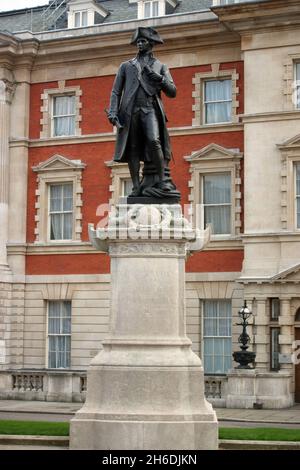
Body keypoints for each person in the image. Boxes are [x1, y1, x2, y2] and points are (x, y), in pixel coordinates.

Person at [107, 27, 180, 200]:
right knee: (133, 149)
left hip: (150, 108)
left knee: (154, 141)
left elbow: (172, 92)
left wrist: (159, 79)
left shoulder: (160, 66)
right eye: (138, 41)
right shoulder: (126, 66)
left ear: (151, 43)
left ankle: (162, 180)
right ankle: (136, 186)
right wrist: (112, 111)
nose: (140, 44)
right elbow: (116, 91)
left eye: (143, 41)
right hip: (130, 111)